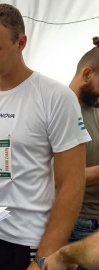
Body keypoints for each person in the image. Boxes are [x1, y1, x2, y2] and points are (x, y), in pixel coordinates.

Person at [0, 4, 91, 270]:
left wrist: (45, 258)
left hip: (24, 240)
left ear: (20, 42)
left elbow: (72, 183)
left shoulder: (55, 97)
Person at [65, 36, 99, 270]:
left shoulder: (94, 107)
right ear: (87, 74)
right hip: (79, 223)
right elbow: (59, 179)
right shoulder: (62, 110)